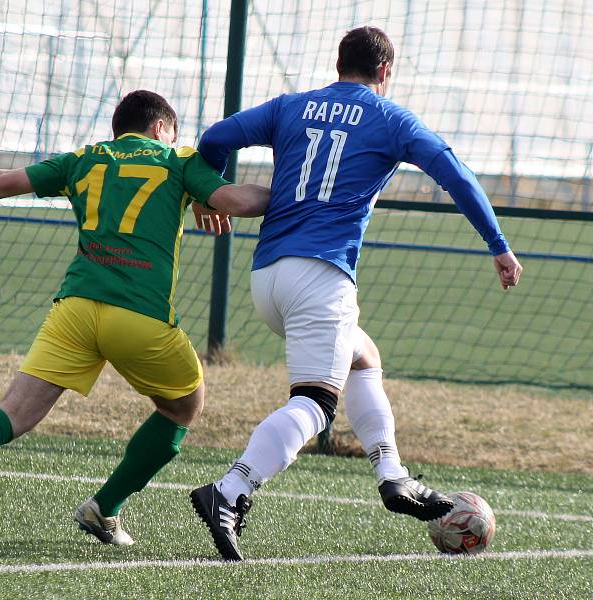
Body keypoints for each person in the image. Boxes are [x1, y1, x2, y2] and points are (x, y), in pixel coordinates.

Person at [0, 90, 270, 545]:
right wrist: (297, 191)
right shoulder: (178, 160)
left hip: (75, 309)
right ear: (162, 128)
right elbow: (238, 201)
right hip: (139, 315)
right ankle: (105, 508)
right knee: (184, 405)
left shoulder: (85, 159)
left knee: (13, 411)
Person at [189, 26, 523, 561]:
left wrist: (210, 190)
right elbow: (454, 173)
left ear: (338, 62)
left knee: (363, 358)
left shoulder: (291, 106)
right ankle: (229, 490)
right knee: (316, 404)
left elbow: (214, 139)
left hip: (268, 277)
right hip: (321, 278)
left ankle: (393, 475)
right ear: (385, 72)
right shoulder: (390, 118)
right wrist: (498, 245)